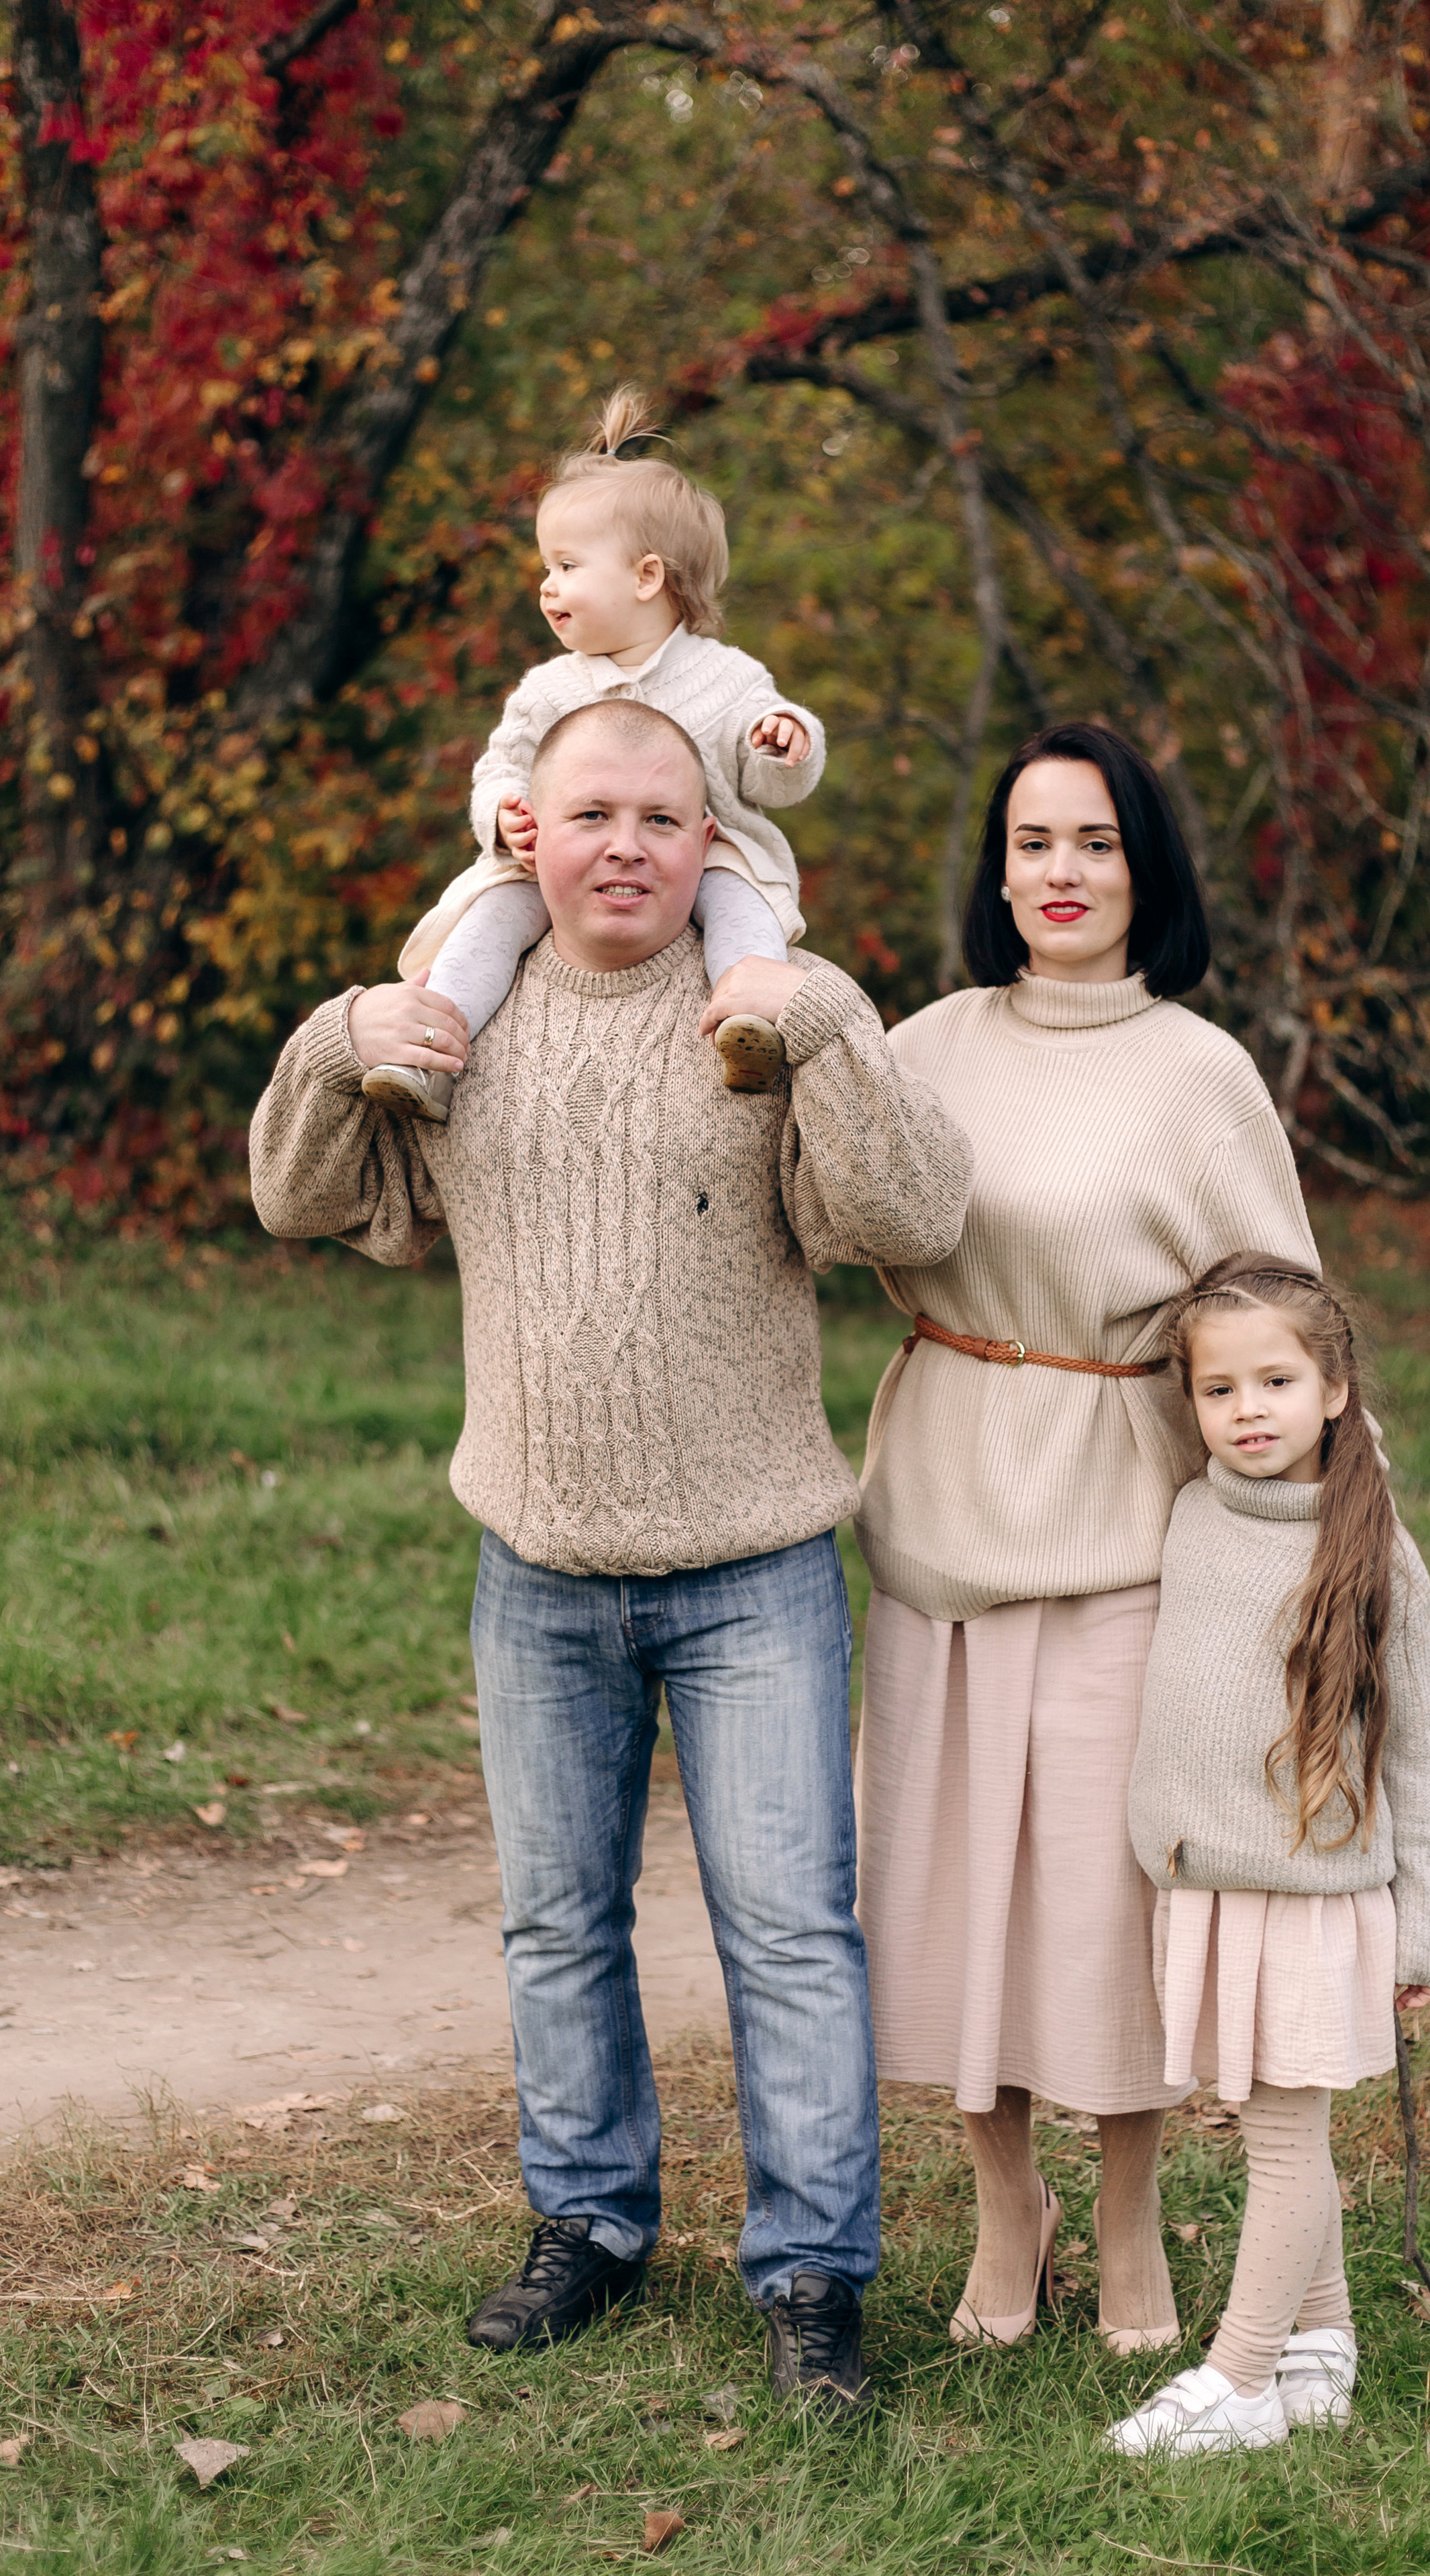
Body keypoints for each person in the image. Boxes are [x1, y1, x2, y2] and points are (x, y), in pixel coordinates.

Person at [248, 697, 972, 2414]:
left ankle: (810, 2275)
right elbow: (296, 1194)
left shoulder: (766, 1012)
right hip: (540, 1561)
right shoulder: (461, 1019)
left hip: (752, 1569)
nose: (627, 844)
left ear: (710, 840)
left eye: (664, 814)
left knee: (790, 1930)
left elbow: (910, 1218)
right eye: (593, 814)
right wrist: (343, 1031)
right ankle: (587, 2220)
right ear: (531, 834)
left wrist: (824, 1035)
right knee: (556, 1922)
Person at [854, 720, 1321, 2354]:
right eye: (1034, 841)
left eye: (1096, 844)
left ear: (1146, 874)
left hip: (1124, 1527)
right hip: (938, 1515)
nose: (1060, 872)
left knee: (1098, 1912)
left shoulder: (1196, 1074)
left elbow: (1286, 1306)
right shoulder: (916, 1045)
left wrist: (1344, 1544)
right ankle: (1004, 2212)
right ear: (998, 866)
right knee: (945, 1890)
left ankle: (1126, 2226)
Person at [1107, 1253, 1430, 2459]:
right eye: (1218, 1390)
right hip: (1212, 1884)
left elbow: (1419, 1755)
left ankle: (1239, 2380)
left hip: (1313, 1894)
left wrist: (1421, 1923)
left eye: (1277, 1380)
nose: (1247, 1410)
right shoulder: (1195, 1514)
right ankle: (1324, 2339)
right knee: (1268, 2115)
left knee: (1283, 2139)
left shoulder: (1370, 1552)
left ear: (1336, 1388)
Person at [363, 386, 823, 1121]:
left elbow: (768, 777)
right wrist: (504, 817)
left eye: (568, 566)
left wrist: (784, 742)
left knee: (742, 907)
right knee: (488, 922)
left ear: (646, 577)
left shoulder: (729, 677)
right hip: (559, 857)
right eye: (548, 568)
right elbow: (502, 765)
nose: (548, 587)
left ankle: (751, 1024)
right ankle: (429, 1053)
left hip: (704, 853)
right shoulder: (551, 688)